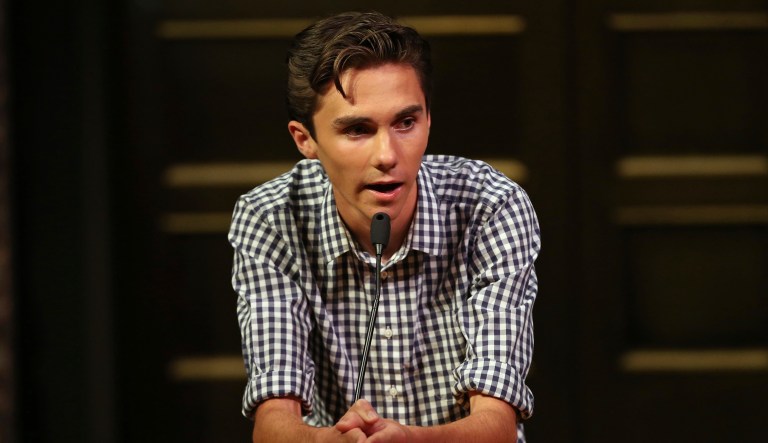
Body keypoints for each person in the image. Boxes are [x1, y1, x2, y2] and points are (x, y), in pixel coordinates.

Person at [229, 11, 540, 443]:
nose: (387, 155)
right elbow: (273, 424)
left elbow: (497, 426)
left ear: (429, 119)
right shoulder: (272, 217)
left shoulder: (489, 206)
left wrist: (408, 441)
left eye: (405, 123)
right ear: (306, 140)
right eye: (358, 129)